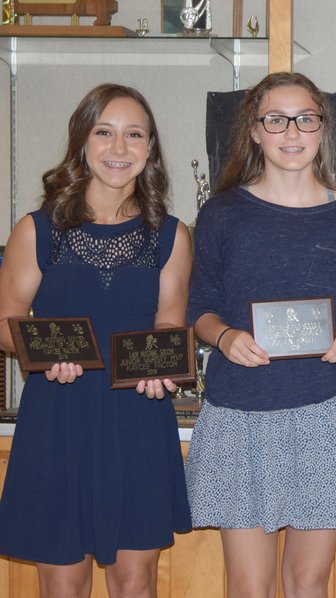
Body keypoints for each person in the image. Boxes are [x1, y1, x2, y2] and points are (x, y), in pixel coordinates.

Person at [185, 71, 336, 598]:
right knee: (249, 587)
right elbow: (198, 308)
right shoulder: (222, 213)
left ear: (322, 128)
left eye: (306, 119)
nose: (292, 132)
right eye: (276, 119)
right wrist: (223, 338)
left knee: (308, 583)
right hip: (238, 416)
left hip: (325, 413)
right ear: (254, 130)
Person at [0, 83, 192, 596]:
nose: (118, 148)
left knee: (135, 584)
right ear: (82, 142)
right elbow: (7, 322)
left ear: (149, 149)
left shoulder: (171, 235)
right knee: (63, 587)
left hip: (137, 419)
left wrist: (162, 363)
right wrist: (37, 353)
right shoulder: (36, 230)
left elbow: (170, 324)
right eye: (104, 132)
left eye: (134, 135)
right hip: (57, 421)